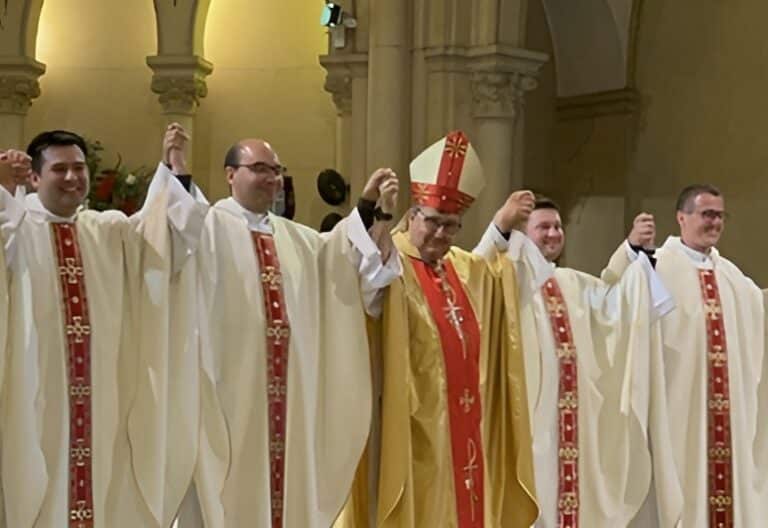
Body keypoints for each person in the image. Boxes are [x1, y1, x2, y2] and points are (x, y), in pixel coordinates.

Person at [177, 138, 401, 528]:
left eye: (276, 170)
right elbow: (170, 240)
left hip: (292, 396)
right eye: (259, 169)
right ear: (230, 175)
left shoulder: (295, 237)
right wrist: (178, 171)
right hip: (229, 394)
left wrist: (368, 207)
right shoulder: (206, 227)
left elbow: (338, 263)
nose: (271, 178)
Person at [0, 125, 206, 527]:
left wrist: (175, 169)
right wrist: (6, 189)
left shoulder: (108, 230)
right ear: (35, 178)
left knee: (105, 480)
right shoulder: (18, 231)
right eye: (59, 169)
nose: (72, 177)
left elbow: (165, 239)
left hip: (104, 394)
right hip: (35, 392)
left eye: (79, 168)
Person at [337, 131, 538, 528]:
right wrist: (379, 214)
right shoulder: (390, 263)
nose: (441, 234)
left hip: (464, 426)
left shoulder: (459, 266)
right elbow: (366, 286)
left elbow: (489, 278)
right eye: (433, 222)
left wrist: (501, 225)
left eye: (451, 226)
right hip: (408, 426)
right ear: (412, 216)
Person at [474, 192, 673, 527]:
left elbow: (615, 307)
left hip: (574, 418)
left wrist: (632, 250)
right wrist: (501, 225)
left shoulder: (573, 282)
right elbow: (473, 279)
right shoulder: (508, 279)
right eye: (543, 227)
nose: (553, 233)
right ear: (523, 234)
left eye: (557, 226)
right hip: (529, 418)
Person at [602, 184, 768, 527]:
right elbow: (612, 295)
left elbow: (760, 309)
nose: (715, 222)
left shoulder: (732, 277)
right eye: (707, 214)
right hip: (678, 412)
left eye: (720, 215)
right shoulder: (656, 266)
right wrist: (630, 250)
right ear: (681, 218)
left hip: (728, 418)